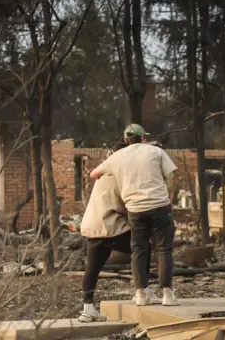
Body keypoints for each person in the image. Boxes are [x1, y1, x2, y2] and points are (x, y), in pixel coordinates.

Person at [90, 124, 179, 306]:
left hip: (135, 209)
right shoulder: (156, 152)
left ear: (125, 140)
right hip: (160, 206)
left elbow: (93, 174)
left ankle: (140, 294)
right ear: (143, 138)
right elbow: (171, 177)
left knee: (139, 249)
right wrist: (169, 197)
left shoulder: (117, 157)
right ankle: (167, 295)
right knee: (163, 249)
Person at [78, 141, 158, 322]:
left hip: (93, 226)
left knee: (92, 268)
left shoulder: (104, 173)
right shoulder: (122, 174)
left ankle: (87, 309)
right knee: (143, 248)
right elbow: (129, 204)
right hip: (110, 225)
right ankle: (142, 291)